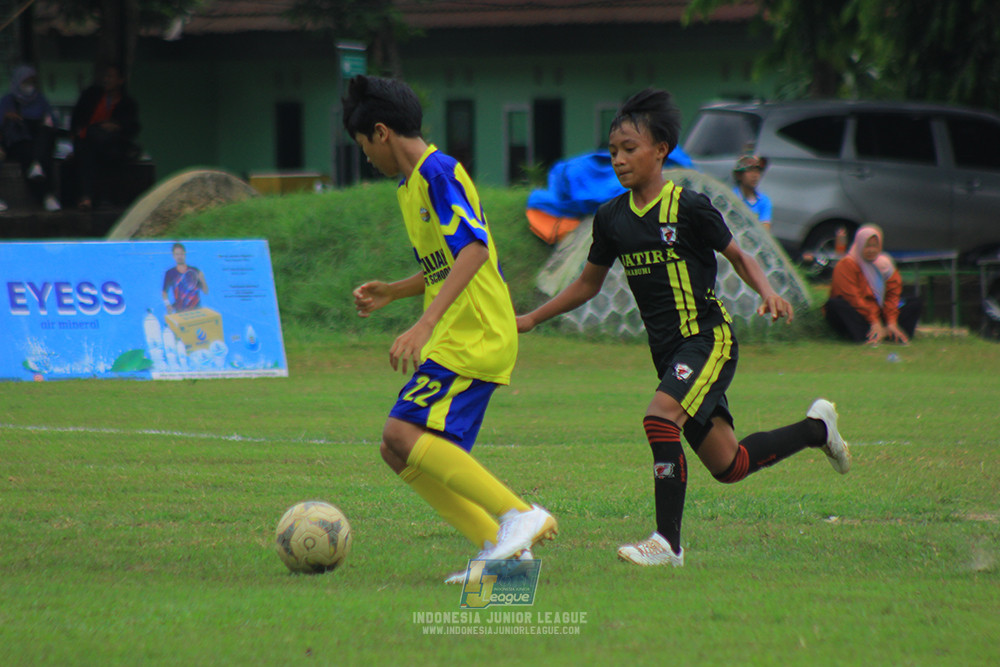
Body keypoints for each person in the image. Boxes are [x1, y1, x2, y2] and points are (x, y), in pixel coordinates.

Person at [516, 88, 850, 567]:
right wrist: (532, 316)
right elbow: (588, 284)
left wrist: (768, 293)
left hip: (708, 340)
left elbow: (740, 254)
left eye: (630, 149)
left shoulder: (690, 206)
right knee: (729, 465)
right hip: (670, 355)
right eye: (613, 151)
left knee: (658, 418)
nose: (619, 159)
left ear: (660, 150)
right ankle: (817, 429)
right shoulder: (611, 218)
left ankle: (667, 544)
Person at [342, 75, 557, 582]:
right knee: (395, 449)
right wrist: (396, 290)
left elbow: (476, 249)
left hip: (475, 332)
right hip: (460, 334)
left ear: (380, 132)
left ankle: (518, 515)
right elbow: (446, 263)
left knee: (400, 429)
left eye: (362, 146)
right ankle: (501, 553)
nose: (367, 158)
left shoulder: (439, 172)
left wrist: (424, 323)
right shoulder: (410, 185)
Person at [825, 224, 921, 344]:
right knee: (835, 305)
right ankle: (876, 333)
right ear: (859, 245)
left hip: (879, 312)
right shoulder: (847, 264)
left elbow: (893, 295)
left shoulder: (884, 265)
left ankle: (887, 331)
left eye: (875, 246)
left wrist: (891, 320)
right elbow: (854, 298)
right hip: (860, 312)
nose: (871, 250)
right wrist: (873, 320)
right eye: (867, 246)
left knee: (913, 302)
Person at [68, 63, 140, 211]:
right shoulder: (91, 96)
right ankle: (87, 197)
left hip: (111, 144)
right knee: (87, 150)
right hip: (87, 140)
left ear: (120, 80)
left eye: (110, 77)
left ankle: (100, 197)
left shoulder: (127, 103)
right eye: (105, 76)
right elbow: (77, 119)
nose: (106, 80)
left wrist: (117, 126)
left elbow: (133, 127)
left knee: (110, 152)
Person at [0, 64, 61, 211]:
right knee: (29, 154)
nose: (29, 86)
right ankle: (47, 195)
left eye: (32, 82)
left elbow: (52, 120)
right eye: (26, 82)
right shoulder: (7, 101)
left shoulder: (40, 99)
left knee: (42, 144)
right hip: (17, 142)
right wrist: (8, 117)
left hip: (38, 140)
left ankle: (37, 164)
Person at [162, 242, 209, 313]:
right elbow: (164, 292)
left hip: (196, 311)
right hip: (180, 312)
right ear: (173, 256)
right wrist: (168, 305)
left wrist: (202, 280)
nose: (179, 256)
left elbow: (206, 291)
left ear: (185, 254)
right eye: (177, 254)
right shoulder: (169, 273)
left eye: (181, 254)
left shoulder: (194, 271)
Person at [732, 154, 771, 231]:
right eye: (750, 170)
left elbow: (765, 229)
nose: (755, 175)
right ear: (739, 175)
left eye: (758, 171)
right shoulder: (731, 196)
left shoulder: (764, 201)